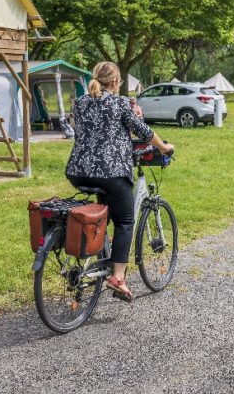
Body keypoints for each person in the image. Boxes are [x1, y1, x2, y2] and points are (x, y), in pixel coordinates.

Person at [66, 61, 174, 302]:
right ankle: (117, 277)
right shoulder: (119, 102)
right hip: (110, 172)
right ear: (115, 82)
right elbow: (143, 132)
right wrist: (165, 148)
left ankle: (102, 252)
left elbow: (85, 131)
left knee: (106, 214)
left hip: (78, 171)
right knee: (125, 221)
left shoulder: (81, 102)